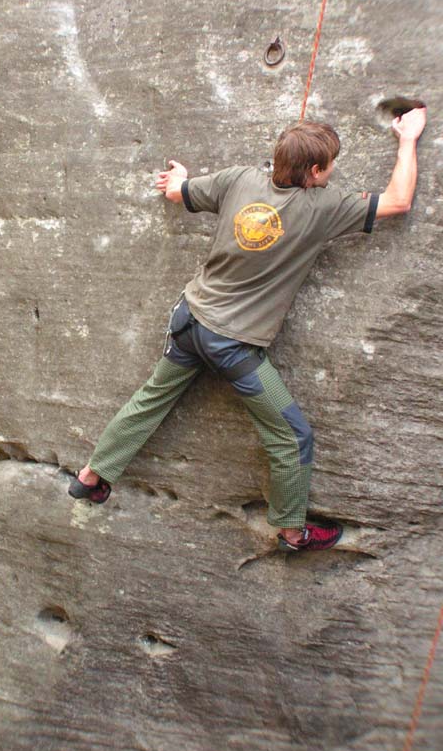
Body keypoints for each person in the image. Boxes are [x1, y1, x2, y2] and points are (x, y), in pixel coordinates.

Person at [68, 108, 427, 552]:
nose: (334, 171)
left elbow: (179, 193)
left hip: (189, 320)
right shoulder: (322, 208)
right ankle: (292, 532)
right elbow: (398, 201)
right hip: (233, 347)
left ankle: (93, 476)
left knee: (151, 399)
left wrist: (180, 178)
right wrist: (408, 139)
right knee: (292, 435)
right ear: (315, 171)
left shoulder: (239, 179)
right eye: (331, 164)